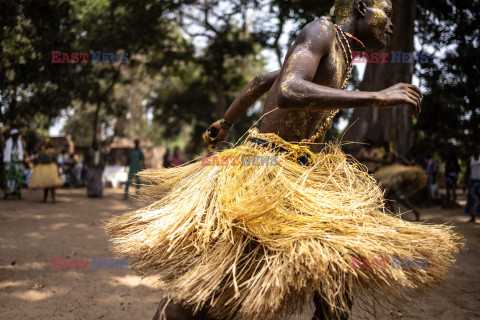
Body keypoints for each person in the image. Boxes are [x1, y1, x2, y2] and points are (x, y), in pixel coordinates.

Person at [107, 1, 463, 320]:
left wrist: (226, 121)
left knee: (339, 259)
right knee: (220, 274)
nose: (392, 25)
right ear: (360, 7)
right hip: (266, 167)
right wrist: (377, 96)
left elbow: (265, 80)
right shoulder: (321, 31)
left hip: (299, 171)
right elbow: (290, 89)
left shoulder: (340, 51)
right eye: (387, 12)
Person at [28, 139, 64, 203]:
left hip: (51, 168)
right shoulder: (41, 151)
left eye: (46, 143)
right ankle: (45, 199)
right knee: (45, 185)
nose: (45, 144)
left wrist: (58, 170)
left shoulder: (52, 151)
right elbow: (37, 150)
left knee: (52, 185)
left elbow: (56, 161)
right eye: (44, 143)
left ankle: (53, 199)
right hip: (43, 168)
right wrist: (41, 144)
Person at [3, 129, 25, 199]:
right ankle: (6, 193)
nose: (17, 136)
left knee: (18, 178)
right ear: (12, 135)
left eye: (17, 135)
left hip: (18, 163)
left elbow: (22, 152)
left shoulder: (20, 142)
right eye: (15, 135)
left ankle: (18, 193)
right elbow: (4, 152)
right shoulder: (7, 143)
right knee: (8, 178)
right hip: (9, 163)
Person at [464, 145, 480, 223]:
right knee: (472, 199)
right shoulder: (470, 160)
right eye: (475, 149)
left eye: (478, 149)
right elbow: (467, 171)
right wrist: (465, 183)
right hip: (473, 181)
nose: (477, 151)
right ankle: (472, 217)